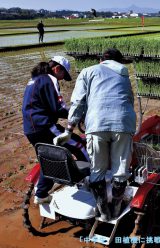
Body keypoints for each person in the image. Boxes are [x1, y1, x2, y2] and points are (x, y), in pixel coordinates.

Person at [54, 48, 136, 221]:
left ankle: (104, 211)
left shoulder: (88, 71)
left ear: (101, 60)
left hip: (97, 123)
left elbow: (78, 102)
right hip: (124, 123)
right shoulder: (124, 74)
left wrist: (69, 129)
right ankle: (116, 208)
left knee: (97, 170)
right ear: (119, 62)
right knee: (120, 171)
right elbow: (129, 100)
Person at [22, 56, 90, 204]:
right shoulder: (49, 79)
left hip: (30, 129)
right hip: (44, 126)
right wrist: (79, 114)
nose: (61, 79)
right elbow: (59, 108)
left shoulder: (34, 80)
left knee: (49, 158)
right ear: (57, 68)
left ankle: (41, 194)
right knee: (78, 144)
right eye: (63, 75)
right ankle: (92, 178)